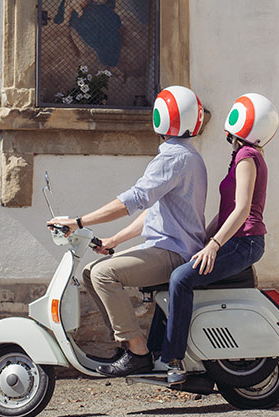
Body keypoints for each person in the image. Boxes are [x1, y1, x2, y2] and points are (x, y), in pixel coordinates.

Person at [47, 85, 208, 377]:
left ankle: (137, 352)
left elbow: (132, 201)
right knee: (90, 272)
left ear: (160, 118)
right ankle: (128, 346)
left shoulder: (172, 157)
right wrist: (114, 240)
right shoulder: (186, 155)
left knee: (103, 274)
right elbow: (154, 213)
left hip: (175, 252)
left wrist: (79, 222)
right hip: (169, 247)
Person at [147, 93, 279, 385]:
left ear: (245, 124)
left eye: (234, 117)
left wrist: (215, 245)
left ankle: (173, 358)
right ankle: (153, 352)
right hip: (237, 240)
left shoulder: (246, 157)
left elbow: (242, 209)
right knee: (176, 273)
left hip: (244, 243)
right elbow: (226, 213)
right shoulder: (244, 155)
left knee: (182, 278)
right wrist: (203, 240)